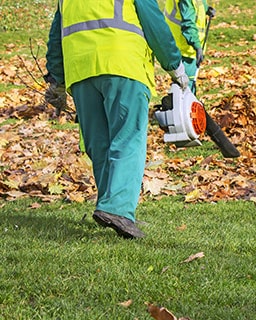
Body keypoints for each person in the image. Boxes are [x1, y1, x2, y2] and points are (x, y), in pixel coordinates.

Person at [44, 0, 189, 239]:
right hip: (124, 64)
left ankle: (108, 205)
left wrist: (56, 80)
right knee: (128, 138)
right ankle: (118, 209)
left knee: (98, 143)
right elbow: (154, 23)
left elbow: (56, 35)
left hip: (81, 70)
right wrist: (175, 66)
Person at [164, 0, 216, 94]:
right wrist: (196, 46)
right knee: (186, 87)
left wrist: (206, 9)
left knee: (184, 84)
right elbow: (188, 23)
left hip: (186, 48)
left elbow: (196, 5)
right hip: (184, 48)